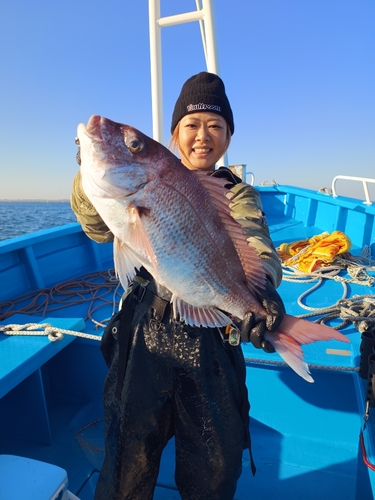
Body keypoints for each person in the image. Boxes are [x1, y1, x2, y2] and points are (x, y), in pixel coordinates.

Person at [71, 72, 284, 500]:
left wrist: (264, 291)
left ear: (227, 137)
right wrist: (88, 172)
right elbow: (97, 227)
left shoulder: (236, 193)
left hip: (211, 341)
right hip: (144, 336)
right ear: (174, 134)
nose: (203, 136)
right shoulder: (146, 179)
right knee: (127, 459)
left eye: (215, 126)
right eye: (192, 125)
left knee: (213, 467)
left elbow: (255, 241)